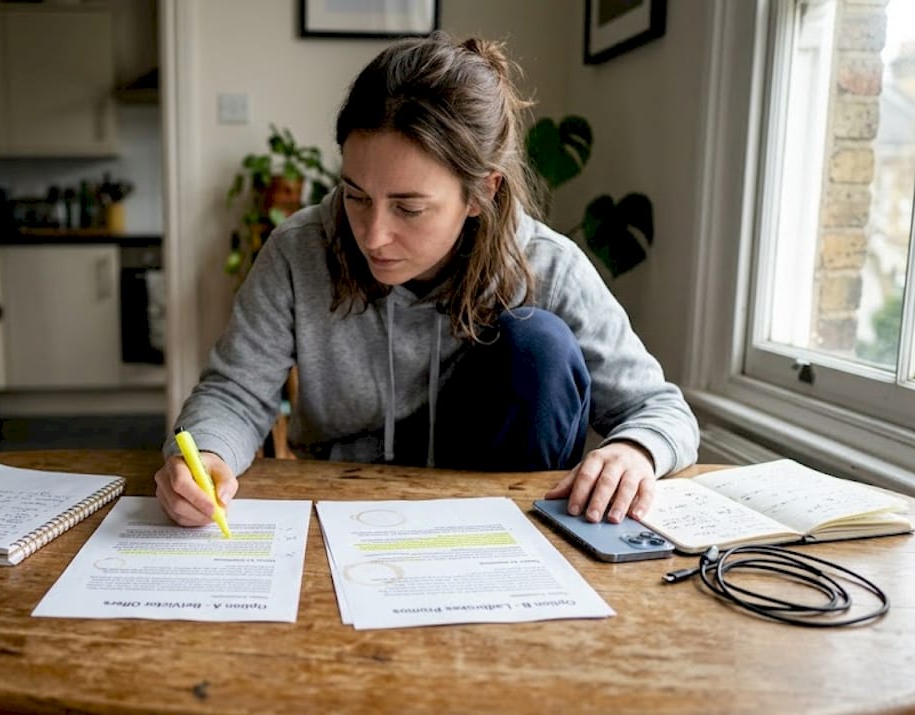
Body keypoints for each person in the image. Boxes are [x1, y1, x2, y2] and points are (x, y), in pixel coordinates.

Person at [155, 32, 698, 528]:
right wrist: (205, 455)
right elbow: (235, 392)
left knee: (539, 343)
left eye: (409, 209)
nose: (372, 235)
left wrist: (636, 452)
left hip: (497, 519)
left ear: (482, 192)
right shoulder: (299, 249)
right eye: (356, 196)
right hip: (342, 506)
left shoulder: (549, 264)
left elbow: (662, 411)